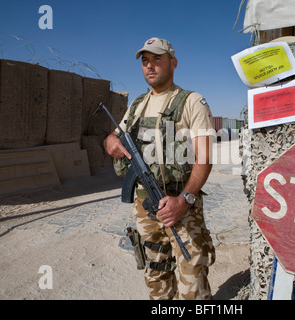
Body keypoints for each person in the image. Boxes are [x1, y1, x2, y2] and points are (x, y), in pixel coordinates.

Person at [103, 37, 215, 300]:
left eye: (157, 59)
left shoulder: (192, 102)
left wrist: (184, 200)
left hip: (182, 204)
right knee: (156, 276)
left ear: (173, 63)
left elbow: (205, 159)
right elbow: (113, 136)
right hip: (146, 207)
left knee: (192, 281)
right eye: (145, 61)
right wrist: (109, 142)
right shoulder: (137, 105)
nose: (149, 66)